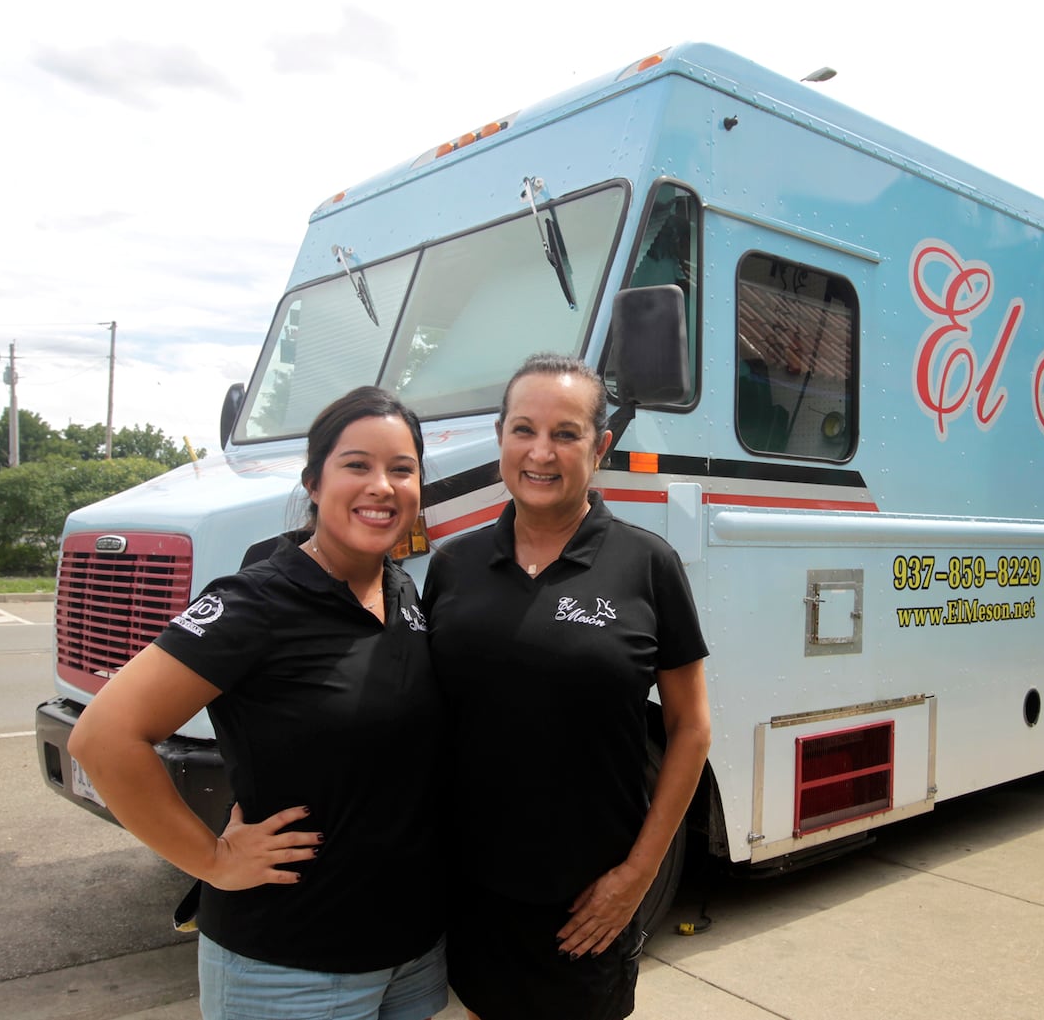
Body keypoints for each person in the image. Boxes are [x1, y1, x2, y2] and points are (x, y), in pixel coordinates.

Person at [68, 386, 447, 1020]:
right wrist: (212, 859)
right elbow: (102, 739)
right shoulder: (257, 602)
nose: (382, 485)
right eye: (356, 465)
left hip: (410, 958)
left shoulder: (403, 592)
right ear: (314, 483)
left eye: (401, 469)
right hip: (290, 966)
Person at [422, 353, 712, 1020]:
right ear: (500, 439)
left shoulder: (647, 564)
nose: (540, 452)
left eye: (566, 433)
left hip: (589, 905)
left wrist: (637, 876)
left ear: (601, 446)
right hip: (473, 893)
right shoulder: (454, 565)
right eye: (523, 429)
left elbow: (690, 728)